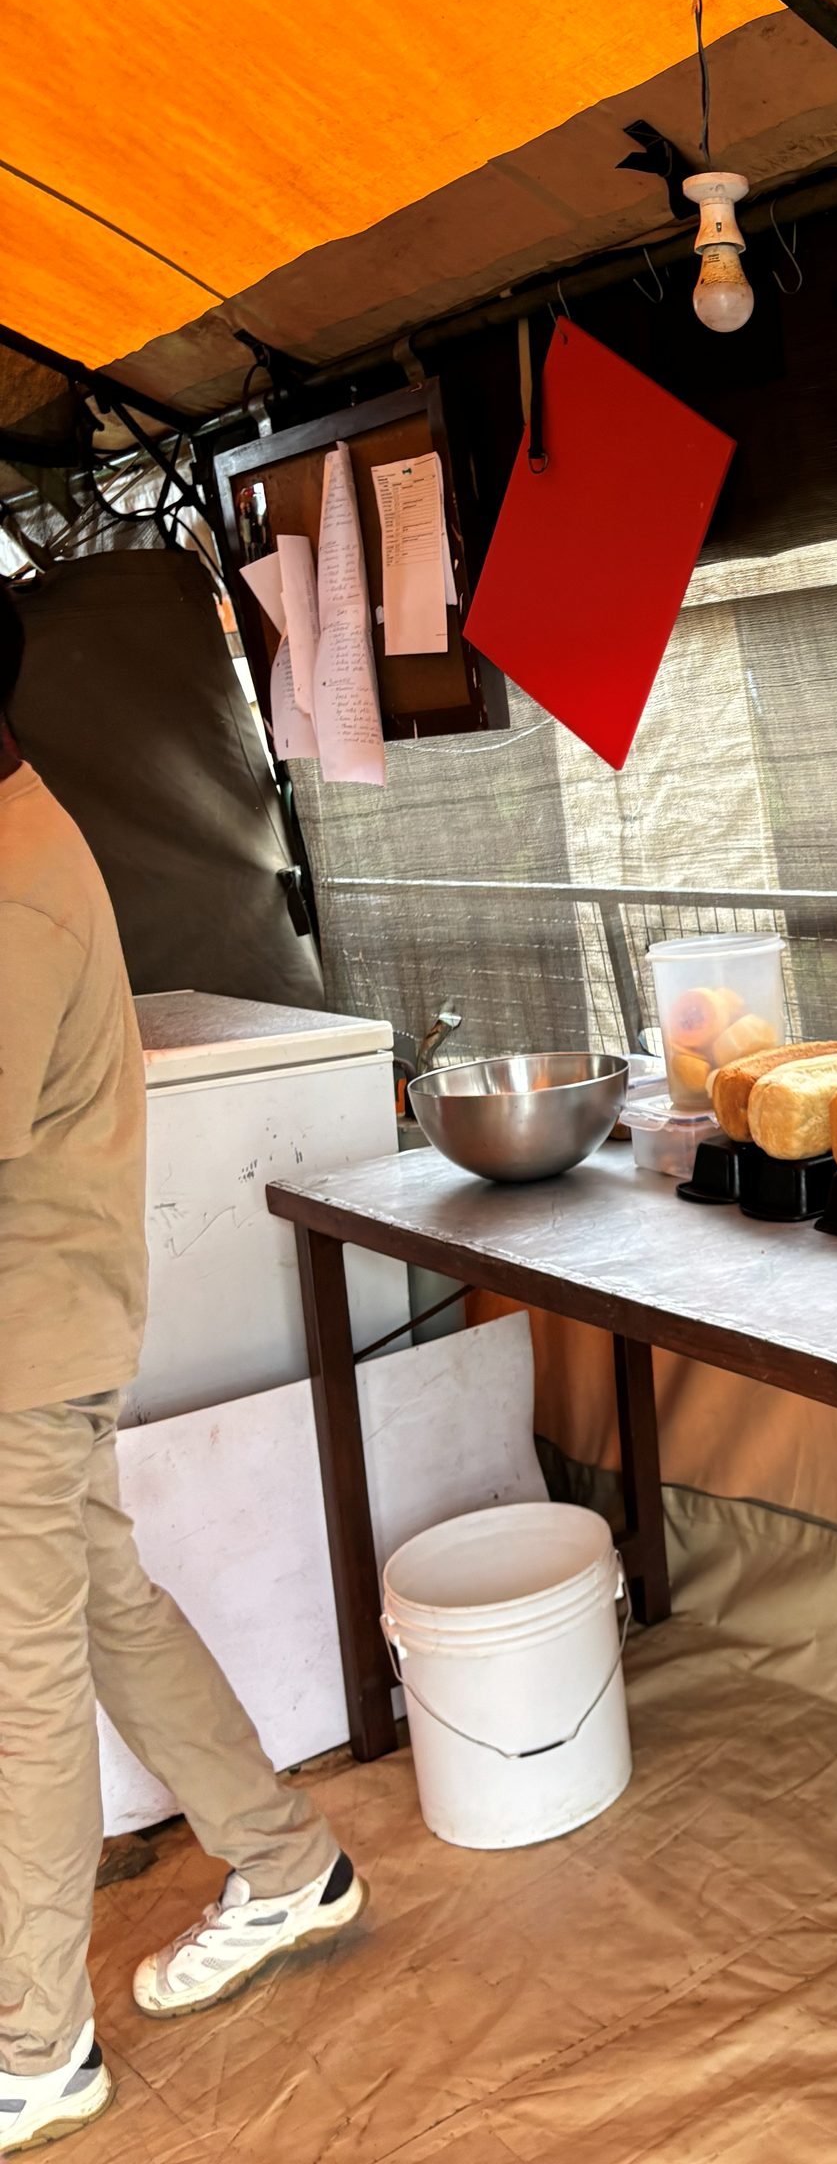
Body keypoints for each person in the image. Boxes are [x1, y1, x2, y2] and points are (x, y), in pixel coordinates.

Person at [0, 584, 367, 2154]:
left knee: (18, 1683)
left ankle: (33, 2047)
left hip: (24, 1344)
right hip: (44, 1325)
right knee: (104, 1610)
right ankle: (291, 1866)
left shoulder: (12, 891)